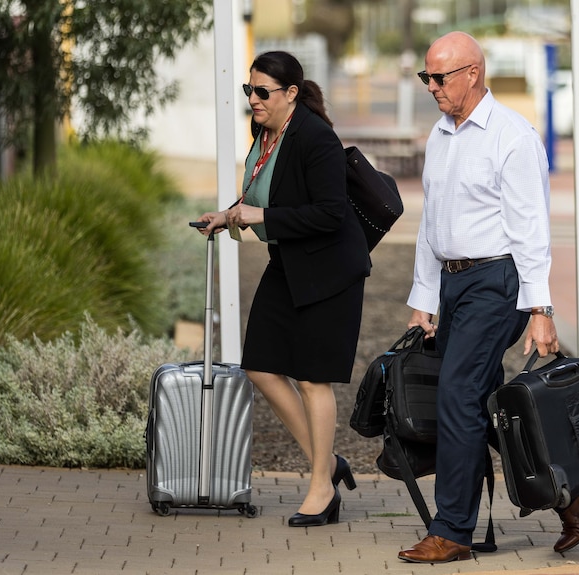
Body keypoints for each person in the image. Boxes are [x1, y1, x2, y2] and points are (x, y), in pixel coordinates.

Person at [398, 32, 579, 563]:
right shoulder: (440, 134)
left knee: (457, 395)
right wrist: (424, 298)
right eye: (427, 78)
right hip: (453, 281)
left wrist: (540, 309)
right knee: (477, 403)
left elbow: (531, 229)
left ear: (473, 73)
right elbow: (430, 223)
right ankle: (568, 485)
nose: (432, 88)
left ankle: (453, 531)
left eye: (440, 77)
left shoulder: (512, 136)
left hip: (497, 281)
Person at [196, 51, 369, 527]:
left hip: (330, 271)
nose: (253, 99)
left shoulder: (316, 138)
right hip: (290, 262)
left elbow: (331, 212)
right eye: (248, 91)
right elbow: (260, 192)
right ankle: (329, 462)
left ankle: (320, 488)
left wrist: (262, 218)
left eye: (262, 92)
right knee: (261, 366)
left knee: (314, 378)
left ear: (291, 94)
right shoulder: (265, 132)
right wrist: (229, 213)